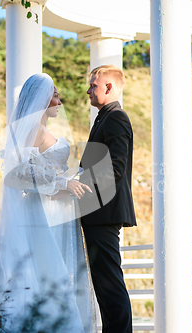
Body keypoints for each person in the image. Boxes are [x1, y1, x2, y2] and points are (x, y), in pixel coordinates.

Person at [0, 73, 96, 332]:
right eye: (55, 96)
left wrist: (69, 181)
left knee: (55, 272)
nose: (60, 101)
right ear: (42, 99)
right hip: (42, 213)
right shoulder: (33, 131)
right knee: (47, 270)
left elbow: (43, 170)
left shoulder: (44, 130)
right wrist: (63, 184)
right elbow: (20, 172)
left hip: (56, 210)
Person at [79, 65, 137, 333]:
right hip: (97, 213)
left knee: (110, 285)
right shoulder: (103, 117)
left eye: (93, 85)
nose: (89, 90)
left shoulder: (116, 118)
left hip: (104, 213)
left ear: (109, 87)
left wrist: (78, 183)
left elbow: (115, 169)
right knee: (103, 284)